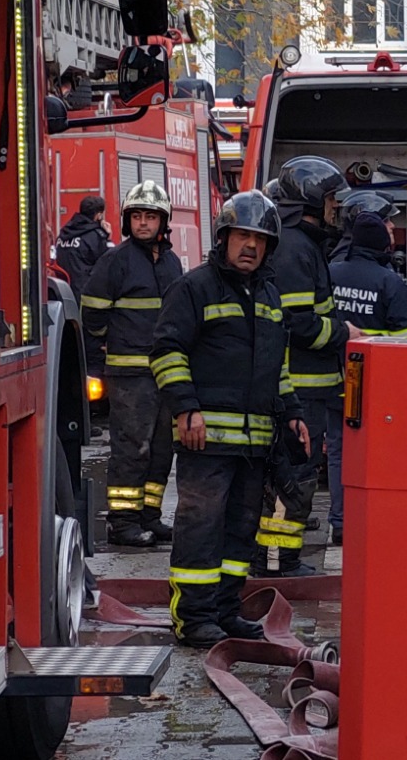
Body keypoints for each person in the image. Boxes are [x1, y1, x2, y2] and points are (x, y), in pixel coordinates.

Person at [150, 191, 309, 647]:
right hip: (205, 440)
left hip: (254, 441)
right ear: (223, 238)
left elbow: (277, 366)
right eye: (242, 236)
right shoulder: (194, 287)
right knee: (201, 527)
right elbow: (166, 350)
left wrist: (294, 414)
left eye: (260, 240)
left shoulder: (270, 296)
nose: (251, 247)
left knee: (241, 530)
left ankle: (224, 610)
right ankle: (193, 617)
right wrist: (185, 408)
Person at [258, 156, 360, 576]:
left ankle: (277, 555)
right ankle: (280, 561)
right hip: (298, 386)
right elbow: (298, 324)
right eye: (333, 199)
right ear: (313, 200)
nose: (338, 207)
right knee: (293, 474)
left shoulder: (303, 244)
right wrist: (343, 333)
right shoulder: (297, 249)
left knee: (293, 472)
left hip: (307, 385)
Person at [83, 182, 183, 547]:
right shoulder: (116, 261)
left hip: (165, 373)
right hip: (129, 376)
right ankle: (122, 522)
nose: (144, 223)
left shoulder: (171, 262)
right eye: (137, 216)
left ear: (162, 221)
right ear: (127, 221)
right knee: (131, 448)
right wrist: (107, 343)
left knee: (161, 448)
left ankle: (149, 516)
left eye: (151, 217)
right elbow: (92, 312)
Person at [326, 210, 407, 545]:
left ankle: (340, 522)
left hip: (332, 380)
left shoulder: (329, 272)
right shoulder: (388, 281)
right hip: (376, 386)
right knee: (378, 454)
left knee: (338, 452)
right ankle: (374, 518)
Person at [56, 195, 110, 295]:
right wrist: (106, 237)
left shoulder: (64, 233)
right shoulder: (95, 236)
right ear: (98, 215)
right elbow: (107, 264)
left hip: (62, 293)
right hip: (85, 295)